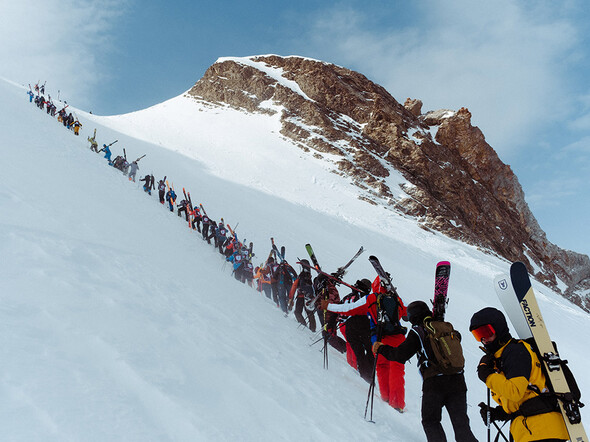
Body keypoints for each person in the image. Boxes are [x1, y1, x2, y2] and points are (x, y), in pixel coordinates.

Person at [373, 301, 478, 441]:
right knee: (461, 425)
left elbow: (400, 355)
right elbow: (457, 338)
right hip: (458, 381)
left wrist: (381, 348)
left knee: (431, 422)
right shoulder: (444, 327)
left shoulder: (418, 331)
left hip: (435, 383)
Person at [469, 307, 568, 442]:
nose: (484, 339)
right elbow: (525, 398)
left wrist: (487, 375)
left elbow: (515, 391)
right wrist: (499, 413)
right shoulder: (501, 358)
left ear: (499, 329)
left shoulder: (515, 352)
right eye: (478, 334)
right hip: (533, 431)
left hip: (541, 432)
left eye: (486, 332)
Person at [321, 276, 407, 411]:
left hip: (378, 340)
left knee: (382, 367)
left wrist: (328, 306)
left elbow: (347, 309)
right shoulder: (397, 300)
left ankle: (385, 397)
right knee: (396, 369)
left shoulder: (371, 299)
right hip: (397, 339)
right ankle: (397, 404)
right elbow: (405, 313)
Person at [338, 279, 375, 383]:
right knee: (368, 352)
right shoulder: (367, 298)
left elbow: (341, 312)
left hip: (349, 326)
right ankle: (365, 375)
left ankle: (363, 373)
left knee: (358, 352)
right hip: (363, 327)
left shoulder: (348, 297)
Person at [288, 260, 317, 332]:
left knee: (298, 312)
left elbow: (303, 286)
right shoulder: (307, 275)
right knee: (309, 314)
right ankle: (311, 329)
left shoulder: (303, 275)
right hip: (308, 297)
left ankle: (304, 327)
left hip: (302, 297)